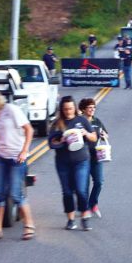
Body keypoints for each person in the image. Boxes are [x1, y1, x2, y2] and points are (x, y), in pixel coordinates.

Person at [0, 89, 35, 241]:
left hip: (16, 157)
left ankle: (29, 225)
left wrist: (25, 151)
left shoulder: (11, 110)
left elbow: (29, 129)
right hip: (0, 157)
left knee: (15, 193)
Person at [48, 95, 97, 230]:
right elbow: (51, 143)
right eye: (65, 109)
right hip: (63, 162)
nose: (68, 111)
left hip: (81, 161)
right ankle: (70, 219)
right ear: (61, 109)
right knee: (67, 191)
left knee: (81, 190)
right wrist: (61, 141)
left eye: (70, 108)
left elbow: (94, 137)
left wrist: (86, 133)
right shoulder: (57, 124)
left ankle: (85, 216)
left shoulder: (82, 120)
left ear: (74, 108)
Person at [79, 98, 108, 218]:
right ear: (83, 109)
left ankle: (93, 203)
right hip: (83, 157)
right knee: (84, 185)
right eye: (90, 107)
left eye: (94, 107)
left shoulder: (97, 121)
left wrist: (104, 135)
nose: (92, 110)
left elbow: (106, 133)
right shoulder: (79, 122)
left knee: (99, 181)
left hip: (96, 155)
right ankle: (85, 208)